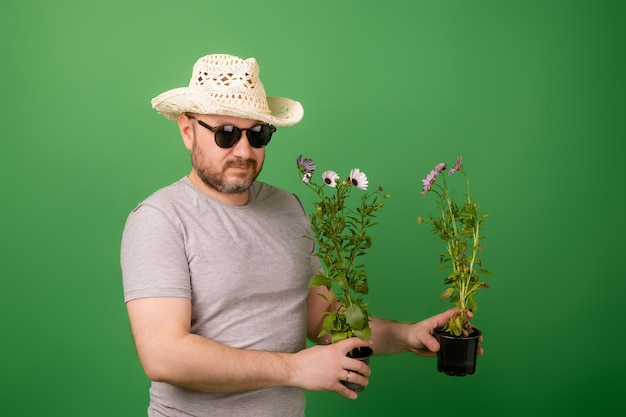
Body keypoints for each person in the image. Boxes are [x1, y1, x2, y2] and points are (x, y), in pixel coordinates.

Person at [120, 53, 482, 417]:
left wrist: (405, 336)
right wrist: (295, 368)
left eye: (258, 133)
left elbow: (322, 318)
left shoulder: (288, 207)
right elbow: (164, 355)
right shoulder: (160, 219)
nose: (244, 151)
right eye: (226, 133)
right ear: (187, 130)